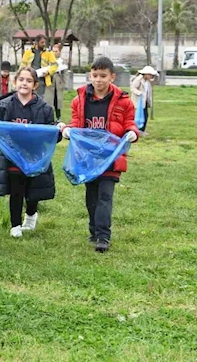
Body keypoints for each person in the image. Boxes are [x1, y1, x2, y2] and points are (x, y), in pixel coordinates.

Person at [60, 57, 139, 253]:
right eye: (95, 76)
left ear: (112, 77)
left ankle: (104, 236)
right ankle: (94, 230)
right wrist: (68, 130)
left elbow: (130, 123)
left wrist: (132, 133)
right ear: (90, 76)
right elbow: (77, 123)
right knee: (91, 196)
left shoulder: (124, 101)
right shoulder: (79, 100)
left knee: (105, 195)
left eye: (103, 76)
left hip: (111, 158)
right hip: (88, 158)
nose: (99, 80)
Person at [0, 66, 61, 238]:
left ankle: (31, 215)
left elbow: (50, 134)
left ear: (35, 85)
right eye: (21, 79)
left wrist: (58, 130)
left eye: (29, 80)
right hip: (12, 157)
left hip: (34, 157)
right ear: (15, 82)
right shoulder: (5, 106)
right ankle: (15, 224)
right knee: (16, 190)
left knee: (33, 191)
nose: (24, 83)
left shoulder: (45, 109)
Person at [21, 35, 58, 99]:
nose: (44, 44)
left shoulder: (48, 52)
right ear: (36, 42)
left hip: (42, 80)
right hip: (29, 78)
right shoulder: (28, 52)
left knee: (40, 98)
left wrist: (48, 72)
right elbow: (23, 65)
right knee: (28, 96)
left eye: (44, 42)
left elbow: (55, 65)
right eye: (42, 42)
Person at [130, 66, 157, 131]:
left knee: (145, 116)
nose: (151, 76)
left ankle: (142, 130)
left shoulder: (148, 81)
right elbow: (133, 88)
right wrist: (138, 93)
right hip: (138, 101)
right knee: (138, 116)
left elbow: (155, 81)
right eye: (150, 74)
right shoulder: (138, 79)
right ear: (146, 74)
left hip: (144, 102)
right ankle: (137, 130)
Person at [47, 43, 68, 120]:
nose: (54, 53)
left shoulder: (62, 61)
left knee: (57, 101)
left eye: (56, 51)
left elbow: (65, 73)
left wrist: (63, 83)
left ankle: (58, 117)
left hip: (58, 84)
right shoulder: (48, 60)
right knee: (49, 101)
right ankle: (49, 118)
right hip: (50, 84)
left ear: (59, 52)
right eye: (53, 51)